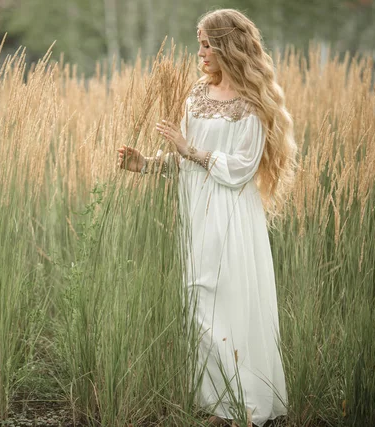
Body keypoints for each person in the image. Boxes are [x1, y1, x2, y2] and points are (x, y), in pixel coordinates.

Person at [116, 8, 296, 427]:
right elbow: (185, 157)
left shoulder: (252, 103)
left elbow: (242, 167)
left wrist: (188, 150)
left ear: (228, 46)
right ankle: (222, 404)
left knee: (230, 303)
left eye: (206, 44)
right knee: (201, 303)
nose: (200, 52)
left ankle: (247, 408)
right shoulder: (197, 93)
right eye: (199, 43)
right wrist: (146, 164)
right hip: (196, 209)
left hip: (232, 213)